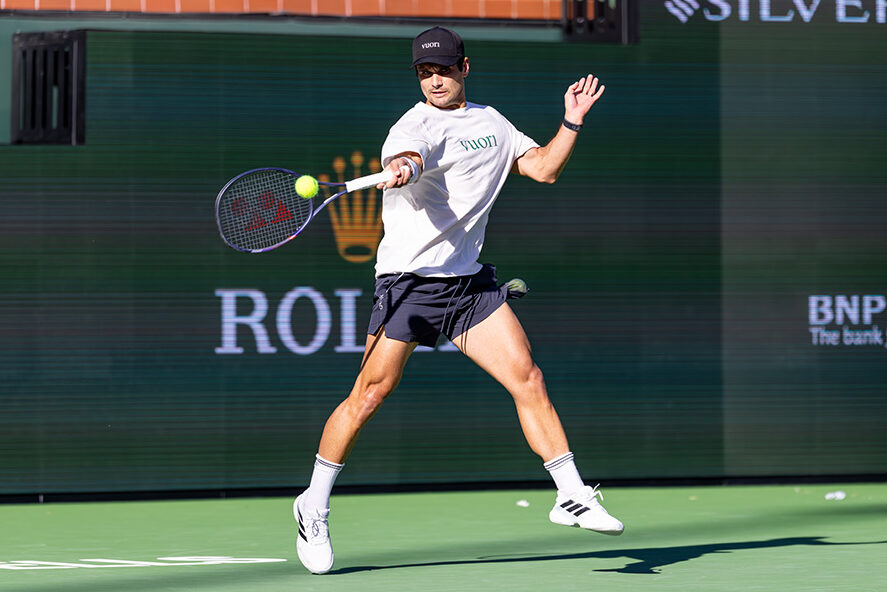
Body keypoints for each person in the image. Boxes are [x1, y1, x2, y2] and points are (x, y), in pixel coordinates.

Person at [294, 26, 622, 575]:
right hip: (409, 283)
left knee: (528, 378)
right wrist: (403, 166)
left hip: (467, 287)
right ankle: (313, 503)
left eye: (444, 69)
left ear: (464, 67)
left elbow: (542, 168)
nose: (435, 79)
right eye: (425, 72)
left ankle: (570, 494)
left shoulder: (493, 123)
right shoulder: (413, 124)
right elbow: (410, 155)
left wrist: (572, 120)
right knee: (368, 398)